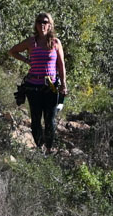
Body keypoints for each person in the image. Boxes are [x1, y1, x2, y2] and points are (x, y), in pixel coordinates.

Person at [7, 12, 68, 151]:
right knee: (35, 119)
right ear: (36, 24)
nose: (42, 24)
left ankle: (49, 149)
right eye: (40, 21)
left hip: (51, 87)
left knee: (50, 120)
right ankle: (40, 147)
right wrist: (27, 60)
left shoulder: (56, 43)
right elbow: (12, 51)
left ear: (50, 24)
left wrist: (64, 84)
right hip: (33, 86)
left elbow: (61, 64)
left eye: (45, 22)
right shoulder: (31, 42)